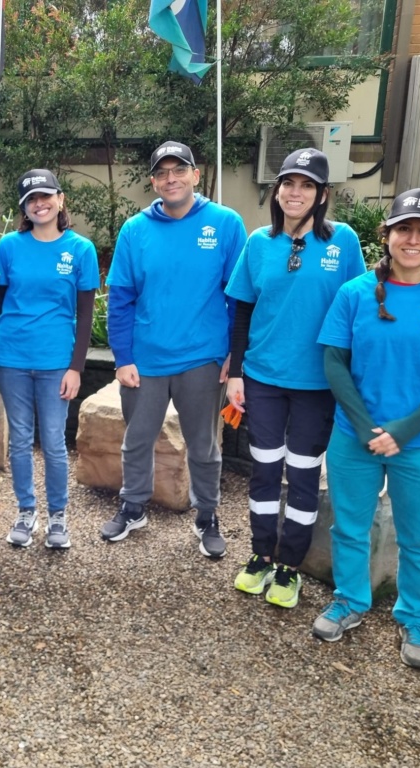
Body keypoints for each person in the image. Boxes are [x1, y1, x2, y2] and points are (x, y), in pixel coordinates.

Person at [312, 189, 420, 669]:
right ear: (386, 235)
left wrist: (403, 431)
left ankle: (414, 616)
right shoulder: (354, 293)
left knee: (419, 536)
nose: (413, 239)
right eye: (403, 229)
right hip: (355, 436)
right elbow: (334, 362)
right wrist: (368, 427)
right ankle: (350, 601)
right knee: (349, 527)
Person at [224, 149, 365, 608]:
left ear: (322, 194)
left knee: (302, 477)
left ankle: (290, 567)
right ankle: (261, 554)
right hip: (263, 378)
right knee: (264, 471)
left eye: (307, 185)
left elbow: (357, 310)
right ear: (276, 190)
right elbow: (242, 311)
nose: (295, 192)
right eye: (288, 183)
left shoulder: (343, 242)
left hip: (318, 384)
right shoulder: (258, 242)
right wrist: (237, 373)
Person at [102, 141, 246, 557]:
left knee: (203, 445)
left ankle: (207, 515)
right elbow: (121, 297)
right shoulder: (135, 229)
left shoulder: (225, 224)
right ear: (153, 181)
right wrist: (122, 358)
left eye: (179, 170)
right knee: (137, 440)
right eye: (163, 173)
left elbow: (239, 296)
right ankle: (133, 505)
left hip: (203, 358)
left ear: (195, 175)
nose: (171, 179)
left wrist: (235, 354)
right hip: (146, 360)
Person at [0, 169, 99, 549]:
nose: (40, 204)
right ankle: (26, 512)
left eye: (46, 196)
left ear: (60, 199)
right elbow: (0, 298)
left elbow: (85, 315)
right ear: (24, 206)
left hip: (57, 361)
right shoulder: (8, 247)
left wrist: (76, 367)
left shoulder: (80, 250)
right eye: (31, 199)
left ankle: (58, 517)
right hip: (12, 358)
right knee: (19, 440)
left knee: (54, 441)